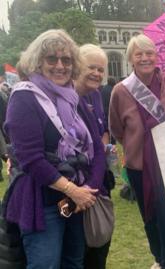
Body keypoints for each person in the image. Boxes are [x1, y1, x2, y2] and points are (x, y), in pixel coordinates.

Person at [4, 29, 105, 268]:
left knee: (74, 263)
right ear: (38, 62)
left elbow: (98, 150)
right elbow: (31, 159)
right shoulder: (24, 98)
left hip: (77, 202)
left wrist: (89, 189)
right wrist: (73, 190)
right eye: (52, 59)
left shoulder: (74, 98)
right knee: (45, 265)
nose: (60, 65)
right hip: (42, 202)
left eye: (67, 60)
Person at [109, 34, 165, 269]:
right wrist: (137, 147)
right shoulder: (120, 91)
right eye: (139, 54)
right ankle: (159, 258)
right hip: (139, 167)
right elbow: (117, 129)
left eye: (149, 53)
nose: (145, 58)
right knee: (149, 218)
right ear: (131, 59)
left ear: (156, 56)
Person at [74, 43, 114, 269]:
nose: (97, 73)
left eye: (101, 69)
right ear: (78, 66)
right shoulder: (68, 98)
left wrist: (104, 147)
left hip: (98, 183)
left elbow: (104, 131)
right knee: (79, 251)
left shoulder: (97, 96)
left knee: (100, 243)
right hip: (76, 186)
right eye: (92, 67)